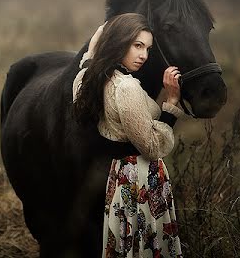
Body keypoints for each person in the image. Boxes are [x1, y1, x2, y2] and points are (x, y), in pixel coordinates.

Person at [72, 13, 185, 258]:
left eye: (148, 48)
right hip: (140, 178)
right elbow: (152, 147)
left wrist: (93, 47)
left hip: (119, 175)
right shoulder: (126, 87)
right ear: (119, 42)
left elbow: (84, 70)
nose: (144, 55)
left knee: (126, 245)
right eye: (137, 45)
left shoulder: (92, 79)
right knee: (146, 246)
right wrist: (172, 102)